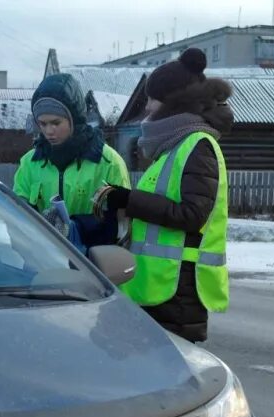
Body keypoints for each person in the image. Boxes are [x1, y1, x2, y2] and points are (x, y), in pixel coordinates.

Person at [98, 48, 233, 343]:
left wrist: (129, 201)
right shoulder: (175, 145)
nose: (147, 107)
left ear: (173, 102)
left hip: (178, 290)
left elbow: (193, 214)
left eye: (152, 99)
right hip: (161, 288)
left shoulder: (197, 145)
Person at [13, 73, 130, 249]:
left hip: (94, 264)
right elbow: (17, 216)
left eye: (55, 122)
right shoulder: (30, 162)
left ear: (74, 119)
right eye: (42, 124)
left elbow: (120, 224)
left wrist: (77, 227)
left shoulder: (108, 162)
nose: (49, 131)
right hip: (43, 259)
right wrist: (39, 226)